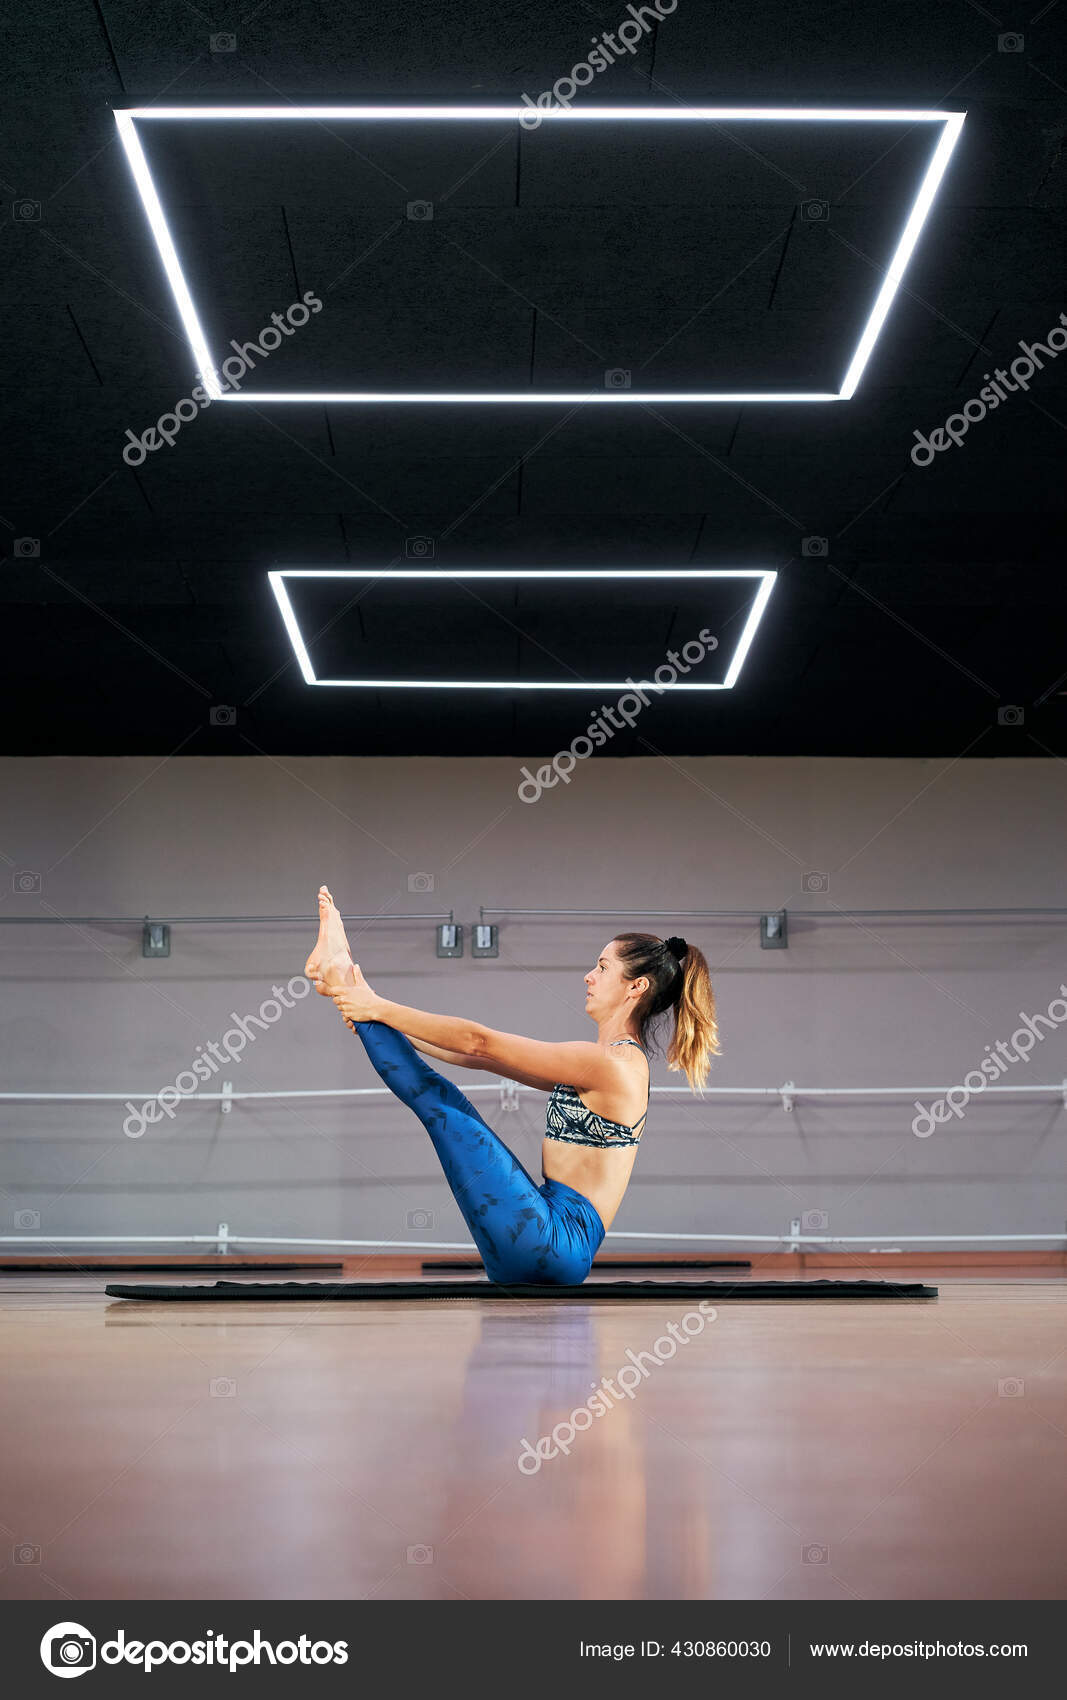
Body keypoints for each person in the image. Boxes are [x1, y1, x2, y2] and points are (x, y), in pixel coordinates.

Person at [305, 887, 720, 1286]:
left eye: (603, 967)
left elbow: (478, 1041)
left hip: (551, 1242)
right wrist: (379, 1022)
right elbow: (476, 1058)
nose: (588, 977)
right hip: (545, 1240)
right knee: (440, 1096)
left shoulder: (612, 1063)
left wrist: (375, 1007)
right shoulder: (605, 1062)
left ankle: (340, 975)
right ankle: (343, 983)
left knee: (441, 1101)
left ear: (637, 986)